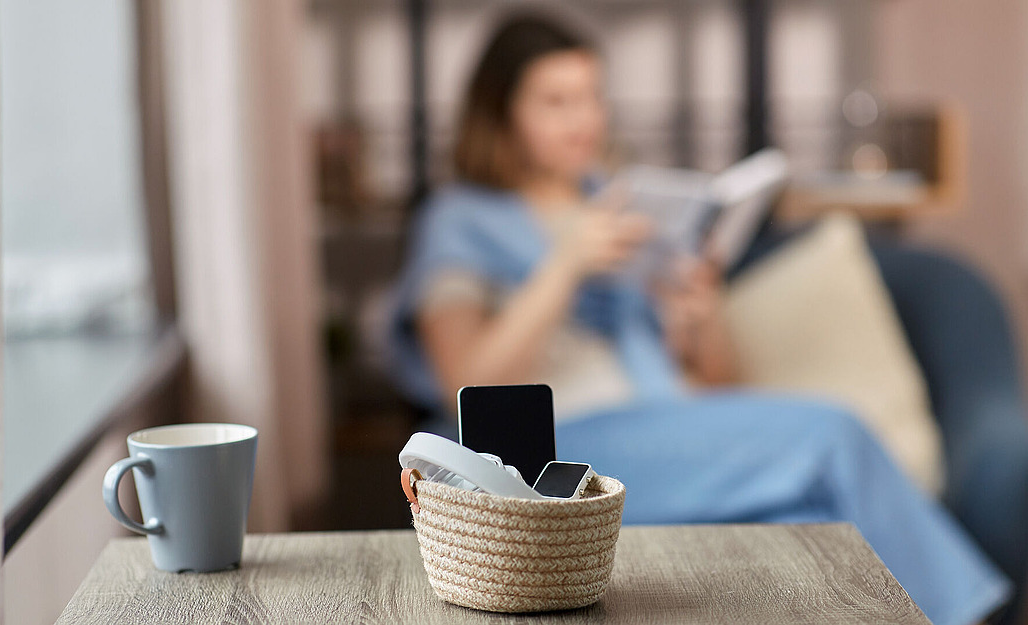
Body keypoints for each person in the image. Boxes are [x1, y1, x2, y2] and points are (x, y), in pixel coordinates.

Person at [384, 12, 1010, 625]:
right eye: (556, 101)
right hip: (563, 453)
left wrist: (700, 313)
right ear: (502, 113)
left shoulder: (622, 205)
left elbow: (719, 387)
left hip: (670, 429)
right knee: (832, 434)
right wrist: (564, 268)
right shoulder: (459, 221)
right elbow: (463, 381)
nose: (584, 120)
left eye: (592, 97)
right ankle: (971, 614)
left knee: (808, 524)